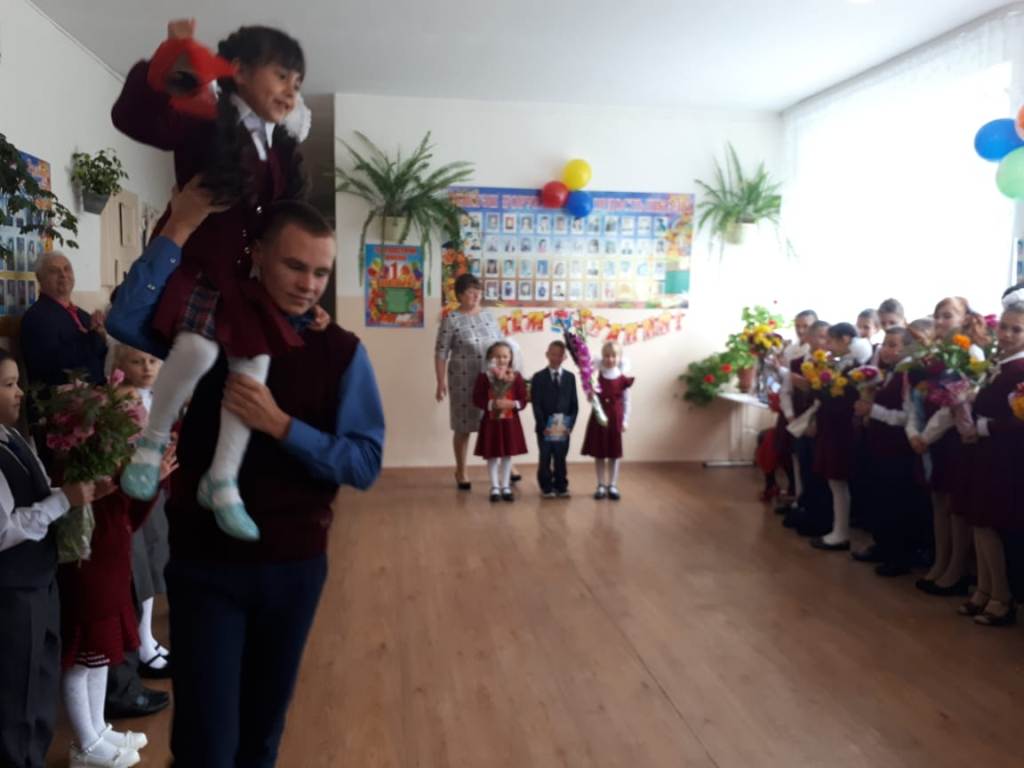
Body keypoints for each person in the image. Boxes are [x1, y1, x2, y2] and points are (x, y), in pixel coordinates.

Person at [155, 199, 384, 766]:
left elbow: (364, 463)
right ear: (257, 255)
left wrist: (282, 426)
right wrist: (179, 224)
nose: (309, 285)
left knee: (261, 736)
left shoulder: (341, 352)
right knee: (205, 746)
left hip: (293, 568)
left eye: (321, 272)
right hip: (205, 565)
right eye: (294, 266)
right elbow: (127, 316)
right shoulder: (208, 325)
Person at [113, 19, 313, 543]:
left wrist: (297, 287)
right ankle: (152, 443)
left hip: (245, 283)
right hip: (200, 269)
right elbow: (136, 117)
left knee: (255, 369)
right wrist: (172, 56)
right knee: (198, 351)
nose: (291, 91)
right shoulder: (205, 117)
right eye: (281, 76)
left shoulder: (279, 148)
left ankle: (223, 480)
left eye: (297, 82)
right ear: (239, 71)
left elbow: (283, 221)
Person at [0, 348, 95, 768]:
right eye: (8, 385)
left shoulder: (13, 437)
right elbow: (4, 530)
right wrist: (62, 503)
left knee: (40, 685)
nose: (19, 393)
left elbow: (38, 496)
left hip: (40, 579)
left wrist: (77, 494)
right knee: (15, 698)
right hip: (12, 591)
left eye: (17, 382)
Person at [58, 442, 175, 768]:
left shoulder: (113, 478)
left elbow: (129, 519)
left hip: (111, 578)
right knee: (81, 662)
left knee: (99, 659)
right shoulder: (81, 471)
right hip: (89, 580)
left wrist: (150, 484)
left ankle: (97, 730)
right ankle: (86, 743)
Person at [955, 291, 1024, 626]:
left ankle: (1002, 597)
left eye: (1017, 330)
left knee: (990, 525)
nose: (1007, 334)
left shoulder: (1021, 369)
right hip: (986, 452)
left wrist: (982, 427)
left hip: (1005, 456)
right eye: (1004, 327)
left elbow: (1019, 420)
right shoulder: (1002, 364)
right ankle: (984, 589)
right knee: (979, 523)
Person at [912, 297, 988, 596]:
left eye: (948, 316)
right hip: (936, 438)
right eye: (938, 316)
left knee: (955, 507)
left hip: (955, 437)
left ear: (964, 318)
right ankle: (940, 561)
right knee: (939, 502)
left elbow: (956, 402)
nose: (941, 322)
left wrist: (926, 435)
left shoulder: (971, 353)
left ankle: (956, 568)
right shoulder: (937, 352)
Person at [853, 326, 928, 576]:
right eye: (885, 344)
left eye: (894, 345)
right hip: (881, 445)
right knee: (881, 499)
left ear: (908, 348)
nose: (886, 349)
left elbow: (906, 416)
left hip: (897, 449)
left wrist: (872, 410)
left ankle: (898, 555)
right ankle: (883, 545)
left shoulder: (908, 374)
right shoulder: (891, 372)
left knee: (896, 503)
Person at [434, 273, 509, 490]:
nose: (476, 296)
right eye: (470, 292)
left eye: (478, 291)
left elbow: (502, 347)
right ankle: (461, 470)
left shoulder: (489, 316)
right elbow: (441, 353)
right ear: (459, 295)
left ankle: (506, 466)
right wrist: (440, 382)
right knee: (463, 426)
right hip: (463, 381)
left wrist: (507, 374)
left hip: (492, 380)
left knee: (497, 422)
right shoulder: (451, 319)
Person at [809, 322, 871, 551]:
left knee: (838, 479)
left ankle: (841, 531)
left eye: (831, 340)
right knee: (833, 480)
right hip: (832, 427)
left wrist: (823, 391)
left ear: (845, 339)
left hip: (842, 429)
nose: (828, 345)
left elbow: (846, 400)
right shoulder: (840, 364)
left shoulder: (854, 368)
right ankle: (838, 529)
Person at [20, 252, 108, 392]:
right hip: (59, 401)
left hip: (95, 395)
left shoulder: (83, 315)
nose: (63, 275)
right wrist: (95, 337)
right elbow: (59, 364)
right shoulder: (36, 317)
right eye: (54, 271)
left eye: (67, 269)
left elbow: (98, 357)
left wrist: (101, 333)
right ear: (39, 278)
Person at [473, 341, 528, 502]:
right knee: (492, 454)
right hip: (491, 422)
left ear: (510, 357)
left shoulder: (516, 377)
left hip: (510, 423)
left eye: (505, 356)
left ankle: (505, 486)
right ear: (490, 357)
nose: (501, 359)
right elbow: (477, 398)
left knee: (507, 454)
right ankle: (495, 486)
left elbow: (523, 399)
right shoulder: (484, 377)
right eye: (497, 356)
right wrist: (492, 404)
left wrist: (513, 404)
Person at [582, 341, 634, 501]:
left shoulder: (623, 379)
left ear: (619, 357)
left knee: (614, 454)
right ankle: (600, 485)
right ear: (602, 357)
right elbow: (591, 399)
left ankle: (612, 485)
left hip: (615, 420)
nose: (610, 359)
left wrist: (625, 421)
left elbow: (627, 402)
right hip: (599, 419)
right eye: (606, 356)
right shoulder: (596, 377)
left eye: (613, 356)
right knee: (599, 453)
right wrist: (590, 394)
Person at [530, 340, 578, 499]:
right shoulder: (538, 377)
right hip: (545, 424)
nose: (556, 357)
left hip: (562, 424)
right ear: (547, 354)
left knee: (560, 456)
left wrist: (570, 425)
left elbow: (574, 405)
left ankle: (561, 485)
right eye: (553, 354)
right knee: (545, 456)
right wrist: (542, 425)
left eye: (560, 355)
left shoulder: (570, 377)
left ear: (564, 357)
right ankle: (546, 486)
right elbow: (536, 404)